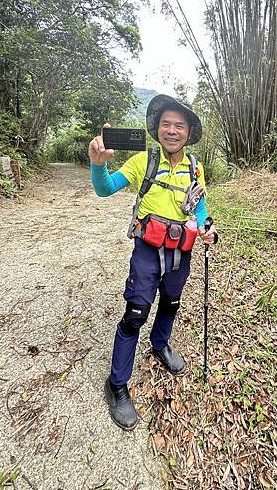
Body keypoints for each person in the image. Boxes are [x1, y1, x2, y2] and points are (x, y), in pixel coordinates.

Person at [88, 94, 217, 430]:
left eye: (179, 125)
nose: (171, 131)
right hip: (147, 250)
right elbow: (105, 188)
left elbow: (198, 207)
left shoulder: (194, 168)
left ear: (189, 132)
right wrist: (98, 163)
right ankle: (117, 384)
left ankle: (160, 345)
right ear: (157, 129)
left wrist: (207, 227)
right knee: (135, 315)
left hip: (181, 251)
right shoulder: (143, 161)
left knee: (171, 303)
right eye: (166, 124)